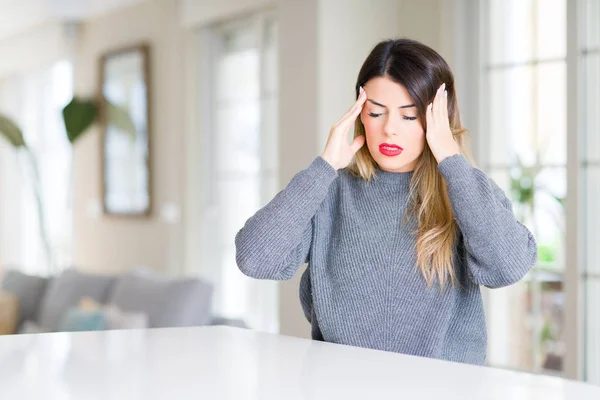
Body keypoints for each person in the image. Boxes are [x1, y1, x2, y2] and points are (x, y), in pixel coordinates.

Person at [234, 38, 537, 365]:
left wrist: (450, 158)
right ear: (359, 114)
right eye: (376, 112)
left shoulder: (466, 193)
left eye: (409, 116)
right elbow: (255, 259)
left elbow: (508, 267)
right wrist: (323, 168)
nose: (389, 129)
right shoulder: (330, 189)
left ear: (437, 119)